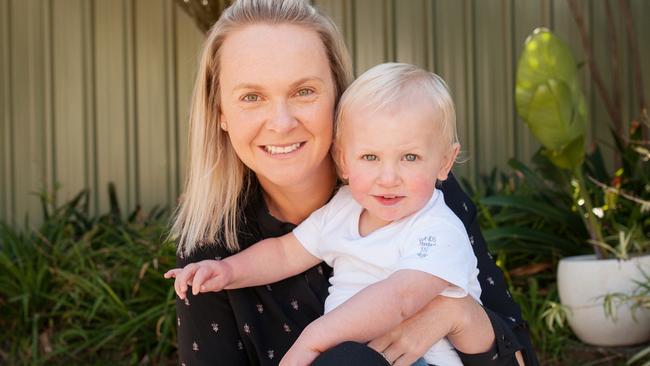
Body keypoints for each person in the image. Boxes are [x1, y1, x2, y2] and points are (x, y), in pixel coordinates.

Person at [168, 0, 537, 365]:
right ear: (221, 114)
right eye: (252, 96)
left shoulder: (417, 194)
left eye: (303, 91)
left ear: (338, 97)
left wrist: (457, 315)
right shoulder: (213, 250)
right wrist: (228, 270)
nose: (281, 122)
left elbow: (519, 357)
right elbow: (283, 254)